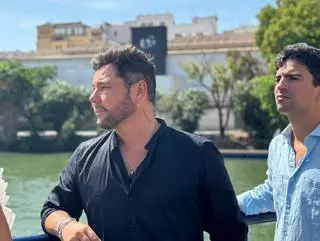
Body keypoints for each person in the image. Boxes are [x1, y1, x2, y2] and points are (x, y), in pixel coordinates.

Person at [40, 45, 247, 241]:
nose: (92, 98)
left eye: (103, 87)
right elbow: (51, 209)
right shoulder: (84, 155)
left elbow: (230, 233)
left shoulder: (199, 154)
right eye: (93, 88)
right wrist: (65, 225)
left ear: (139, 91)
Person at [237, 43, 320, 241]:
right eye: (278, 78)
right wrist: (217, 206)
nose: (280, 85)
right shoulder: (279, 145)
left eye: (293, 77)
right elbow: (272, 192)